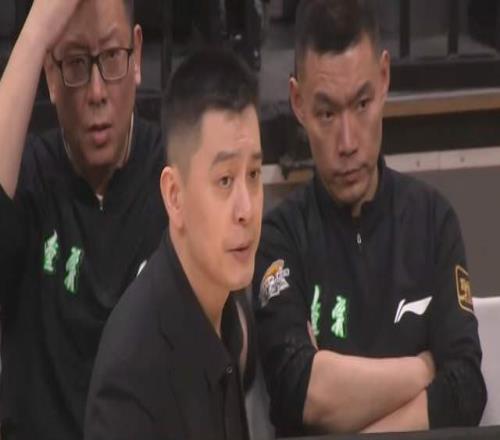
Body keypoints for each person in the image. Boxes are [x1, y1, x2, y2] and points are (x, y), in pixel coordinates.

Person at [252, 0, 487, 436]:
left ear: (384, 79)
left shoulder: (433, 222)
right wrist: (424, 369)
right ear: (297, 103)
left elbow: (466, 390)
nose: (347, 142)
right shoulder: (279, 238)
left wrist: (339, 391)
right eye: (327, 113)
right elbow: (298, 389)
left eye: (361, 104)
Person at [0, 0, 167, 438]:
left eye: (111, 57)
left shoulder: (174, 178)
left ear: (136, 55)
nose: (96, 92)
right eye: (75, 63)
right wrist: (35, 34)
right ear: (50, 75)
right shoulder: (26, 178)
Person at [84, 48, 262, 440]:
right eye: (225, 180)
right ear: (174, 196)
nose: (246, 210)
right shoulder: (133, 372)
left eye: (253, 174)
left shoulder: (230, 306)